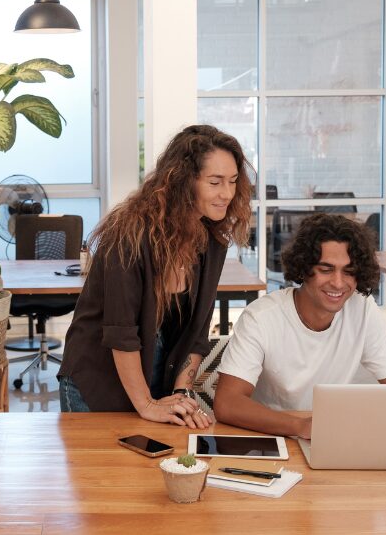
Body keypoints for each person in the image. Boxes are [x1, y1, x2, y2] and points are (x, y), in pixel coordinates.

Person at [58, 125, 253, 428]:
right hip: (98, 385)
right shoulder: (130, 235)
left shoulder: (212, 242)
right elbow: (121, 333)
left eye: (232, 181)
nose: (227, 194)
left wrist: (182, 392)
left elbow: (197, 334)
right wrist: (145, 404)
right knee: (102, 476)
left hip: (156, 383)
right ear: (184, 181)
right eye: (215, 182)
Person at [213, 213, 386, 438]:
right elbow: (227, 404)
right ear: (304, 268)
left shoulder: (363, 309)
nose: (338, 283)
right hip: (269, 437)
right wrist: (300, 427)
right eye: (325, 269)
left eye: (348, 271)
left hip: (330, 435)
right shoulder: (261, 318)